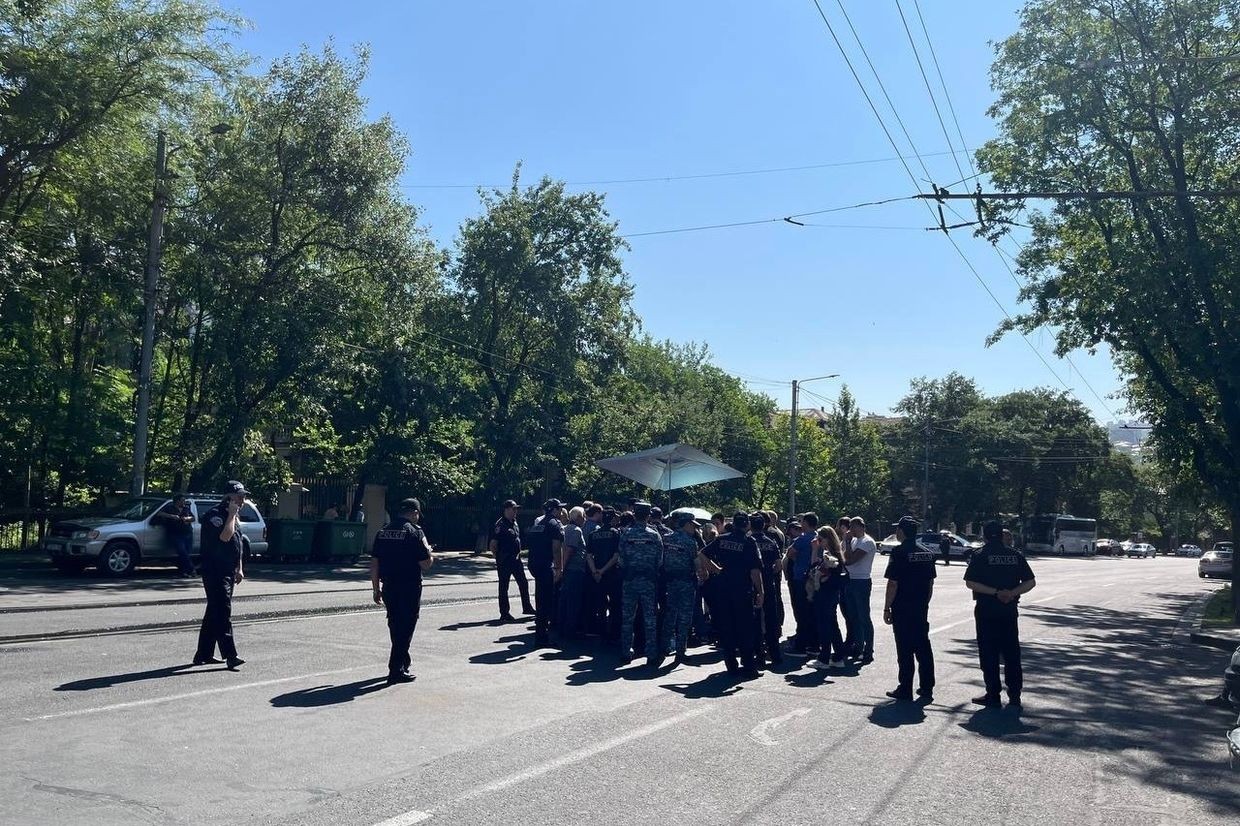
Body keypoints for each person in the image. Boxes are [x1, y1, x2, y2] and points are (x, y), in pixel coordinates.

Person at [964, 520, 1036, 710]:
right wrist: (1011, 593)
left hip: (987, 610)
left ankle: (993, 694)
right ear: (1002, 535)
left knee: (989, 653)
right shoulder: (1015, 555)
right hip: (1009, 611)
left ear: (985, 536)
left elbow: (970, 583)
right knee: (1012, 653)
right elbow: (1030, 582)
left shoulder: (979, 555)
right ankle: (1014, 695)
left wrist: (995, 592)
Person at [371, 498, 434, 684]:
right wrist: (430, 552)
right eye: (417, 515)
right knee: (406, 627)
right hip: (409, 586)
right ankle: (396, 669)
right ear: (414, 513)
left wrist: (376, 589)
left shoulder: (382, 531)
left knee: (395, 623)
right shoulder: (415, 532)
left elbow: (374, 563)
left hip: (389, 585)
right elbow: (426, 564)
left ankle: (403, 662)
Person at [193, 481, 248, 670]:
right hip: (214, 570)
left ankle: (203, 653)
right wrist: (232, 515)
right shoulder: (214, 516)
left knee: (214, 612)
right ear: (228, 497)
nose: (242, 500)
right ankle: (230, 655)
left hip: (227, 570)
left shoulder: (233, 517)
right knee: (223, 611)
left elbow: (237, 543)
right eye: (239, 496)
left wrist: (238, 568)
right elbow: (225, 537)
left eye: (243, 496)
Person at [701, 512, 764, 677]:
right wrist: (761, 591)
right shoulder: (749, 542)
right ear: (747, 525)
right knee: (745, 628)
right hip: (742, 590)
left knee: (726, 627)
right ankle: (749, 666)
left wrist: (716, 570)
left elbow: (702, 554)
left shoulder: (721, 539)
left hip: (723, 589)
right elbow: (754, 570)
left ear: (733, 524)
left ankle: (731, 665)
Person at [883, 515, 937, 702]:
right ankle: (927, 687)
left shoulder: (899, 552)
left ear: (901, 531)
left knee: (904, 649)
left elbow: (893, 584)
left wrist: (886, 608)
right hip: (920, 607)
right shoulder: (928, 553)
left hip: (902, 607)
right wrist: (924, 603)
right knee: (923, 648)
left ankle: (905, 687)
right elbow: (930, 584)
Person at [618, 501, 664, 666]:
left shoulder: (626, 534)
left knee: (627, 618)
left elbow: (621, 559)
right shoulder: (654, 535)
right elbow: (660, 561)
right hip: (648, 581)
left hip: (630, 580)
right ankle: (651, 654)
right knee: (650, 618)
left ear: (634, 513)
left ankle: (625, 652)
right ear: (648, 515)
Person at [525, 499, 565, 647]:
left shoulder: (538, 524)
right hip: (546, 566)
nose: (561, 512)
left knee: (540, 599)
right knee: (546, 602)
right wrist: (559, 568)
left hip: (534, 564)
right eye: (559, 509)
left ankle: (540, 634)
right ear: (554, 510)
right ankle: (542, 637)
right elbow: (556, 547)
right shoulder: (555, 524)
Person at [809, 526, 851, 670]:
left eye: (820, 539)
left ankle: (824, 658)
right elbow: (814, 566)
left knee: (824, 625)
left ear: (827, 539)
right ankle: (838, 656)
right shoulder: (833, 553)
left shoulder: (833, 556)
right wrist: (815, 550)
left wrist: (823, 580)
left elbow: (831, 574)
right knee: (832, 625)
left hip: (826, 594)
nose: (818, 542)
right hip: (831, 595)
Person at [662, 513, 700, 662]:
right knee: (684, 617)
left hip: (669, 581)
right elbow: (696, 563)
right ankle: (680, 650)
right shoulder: (690, 542)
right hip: (685, 582)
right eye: (693, 526)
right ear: (686, 525)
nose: (695, 529)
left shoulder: (666, 538)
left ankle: (665, 645)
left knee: (669, 614)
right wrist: (700, 575)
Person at [489, 499, 534, 622]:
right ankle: (504, 613)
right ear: (507, 509)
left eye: (516, 509)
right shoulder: (500, 524)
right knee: (504, 587)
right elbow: (493, 544)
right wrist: (498, 557)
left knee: (524, 583)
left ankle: (527, 607)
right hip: (505, 560)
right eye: (514, 509)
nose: (516, 511)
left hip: (516, 559)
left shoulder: (514, 522)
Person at [750, 512, 784, 666]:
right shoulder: (771, 542)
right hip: (769, 583)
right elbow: (779, 565)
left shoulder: (749, 542)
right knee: (771, 619)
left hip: (753, 585)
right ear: (764, 525)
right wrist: (769, 573)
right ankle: (775, 653)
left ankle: (759, 654)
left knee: (755, 620)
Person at [784, 512, 820, 657]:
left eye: (802, 522)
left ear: (806, 523)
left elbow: (790, 553)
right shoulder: (820, 537)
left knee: (801, 611)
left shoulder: (803, 539)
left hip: (801, 578)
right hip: (815, 578)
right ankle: (814, 644)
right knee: (812, 612)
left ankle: (801, 646)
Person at [843, 516, 877, 664]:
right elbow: (844, 557)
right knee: (853, 616)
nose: (851, 530)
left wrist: (848, 543)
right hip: (850, 579)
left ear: (861, 526)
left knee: (864, 617)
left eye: (853, 527)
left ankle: (868, 650)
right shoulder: (854, 540)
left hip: (862, 581)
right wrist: (847, 543)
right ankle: (858, 647)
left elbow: (851, 560)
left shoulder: (867, 542)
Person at [587, 508, 622, 640]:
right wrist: (603, 570)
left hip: (597, 575)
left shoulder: (593, 534)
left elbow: (589, 555)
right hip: (612, 573)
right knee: (614, 604)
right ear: (612, 519)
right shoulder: (615, 534)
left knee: (600, 604)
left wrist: (595, 571)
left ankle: (601, 630)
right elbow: (616, 556)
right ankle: (613, 632)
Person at [557, 506, 590, 638]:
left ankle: (563, 627)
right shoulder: (575, 530)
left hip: (570, 570)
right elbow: (568, 551)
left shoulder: (565, 528)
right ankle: (569, 630)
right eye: (583, 516)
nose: (585, 519)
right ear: (578, 518)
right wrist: (563, 569)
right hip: (574, 570)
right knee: (572, 601)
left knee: (565, 600)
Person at [157, 494, 195, 578]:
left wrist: (187, 519)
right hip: (175, 534)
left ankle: (184, 572)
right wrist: (172, 516)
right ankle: (192, 569)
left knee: (186, 553)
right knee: (182, 551)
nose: (184, 502)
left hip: (187, 533)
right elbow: (159, 513)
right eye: (182, 500)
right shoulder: (169, 508)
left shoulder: (186, 508)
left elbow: (193, 518)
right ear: (177, 501)